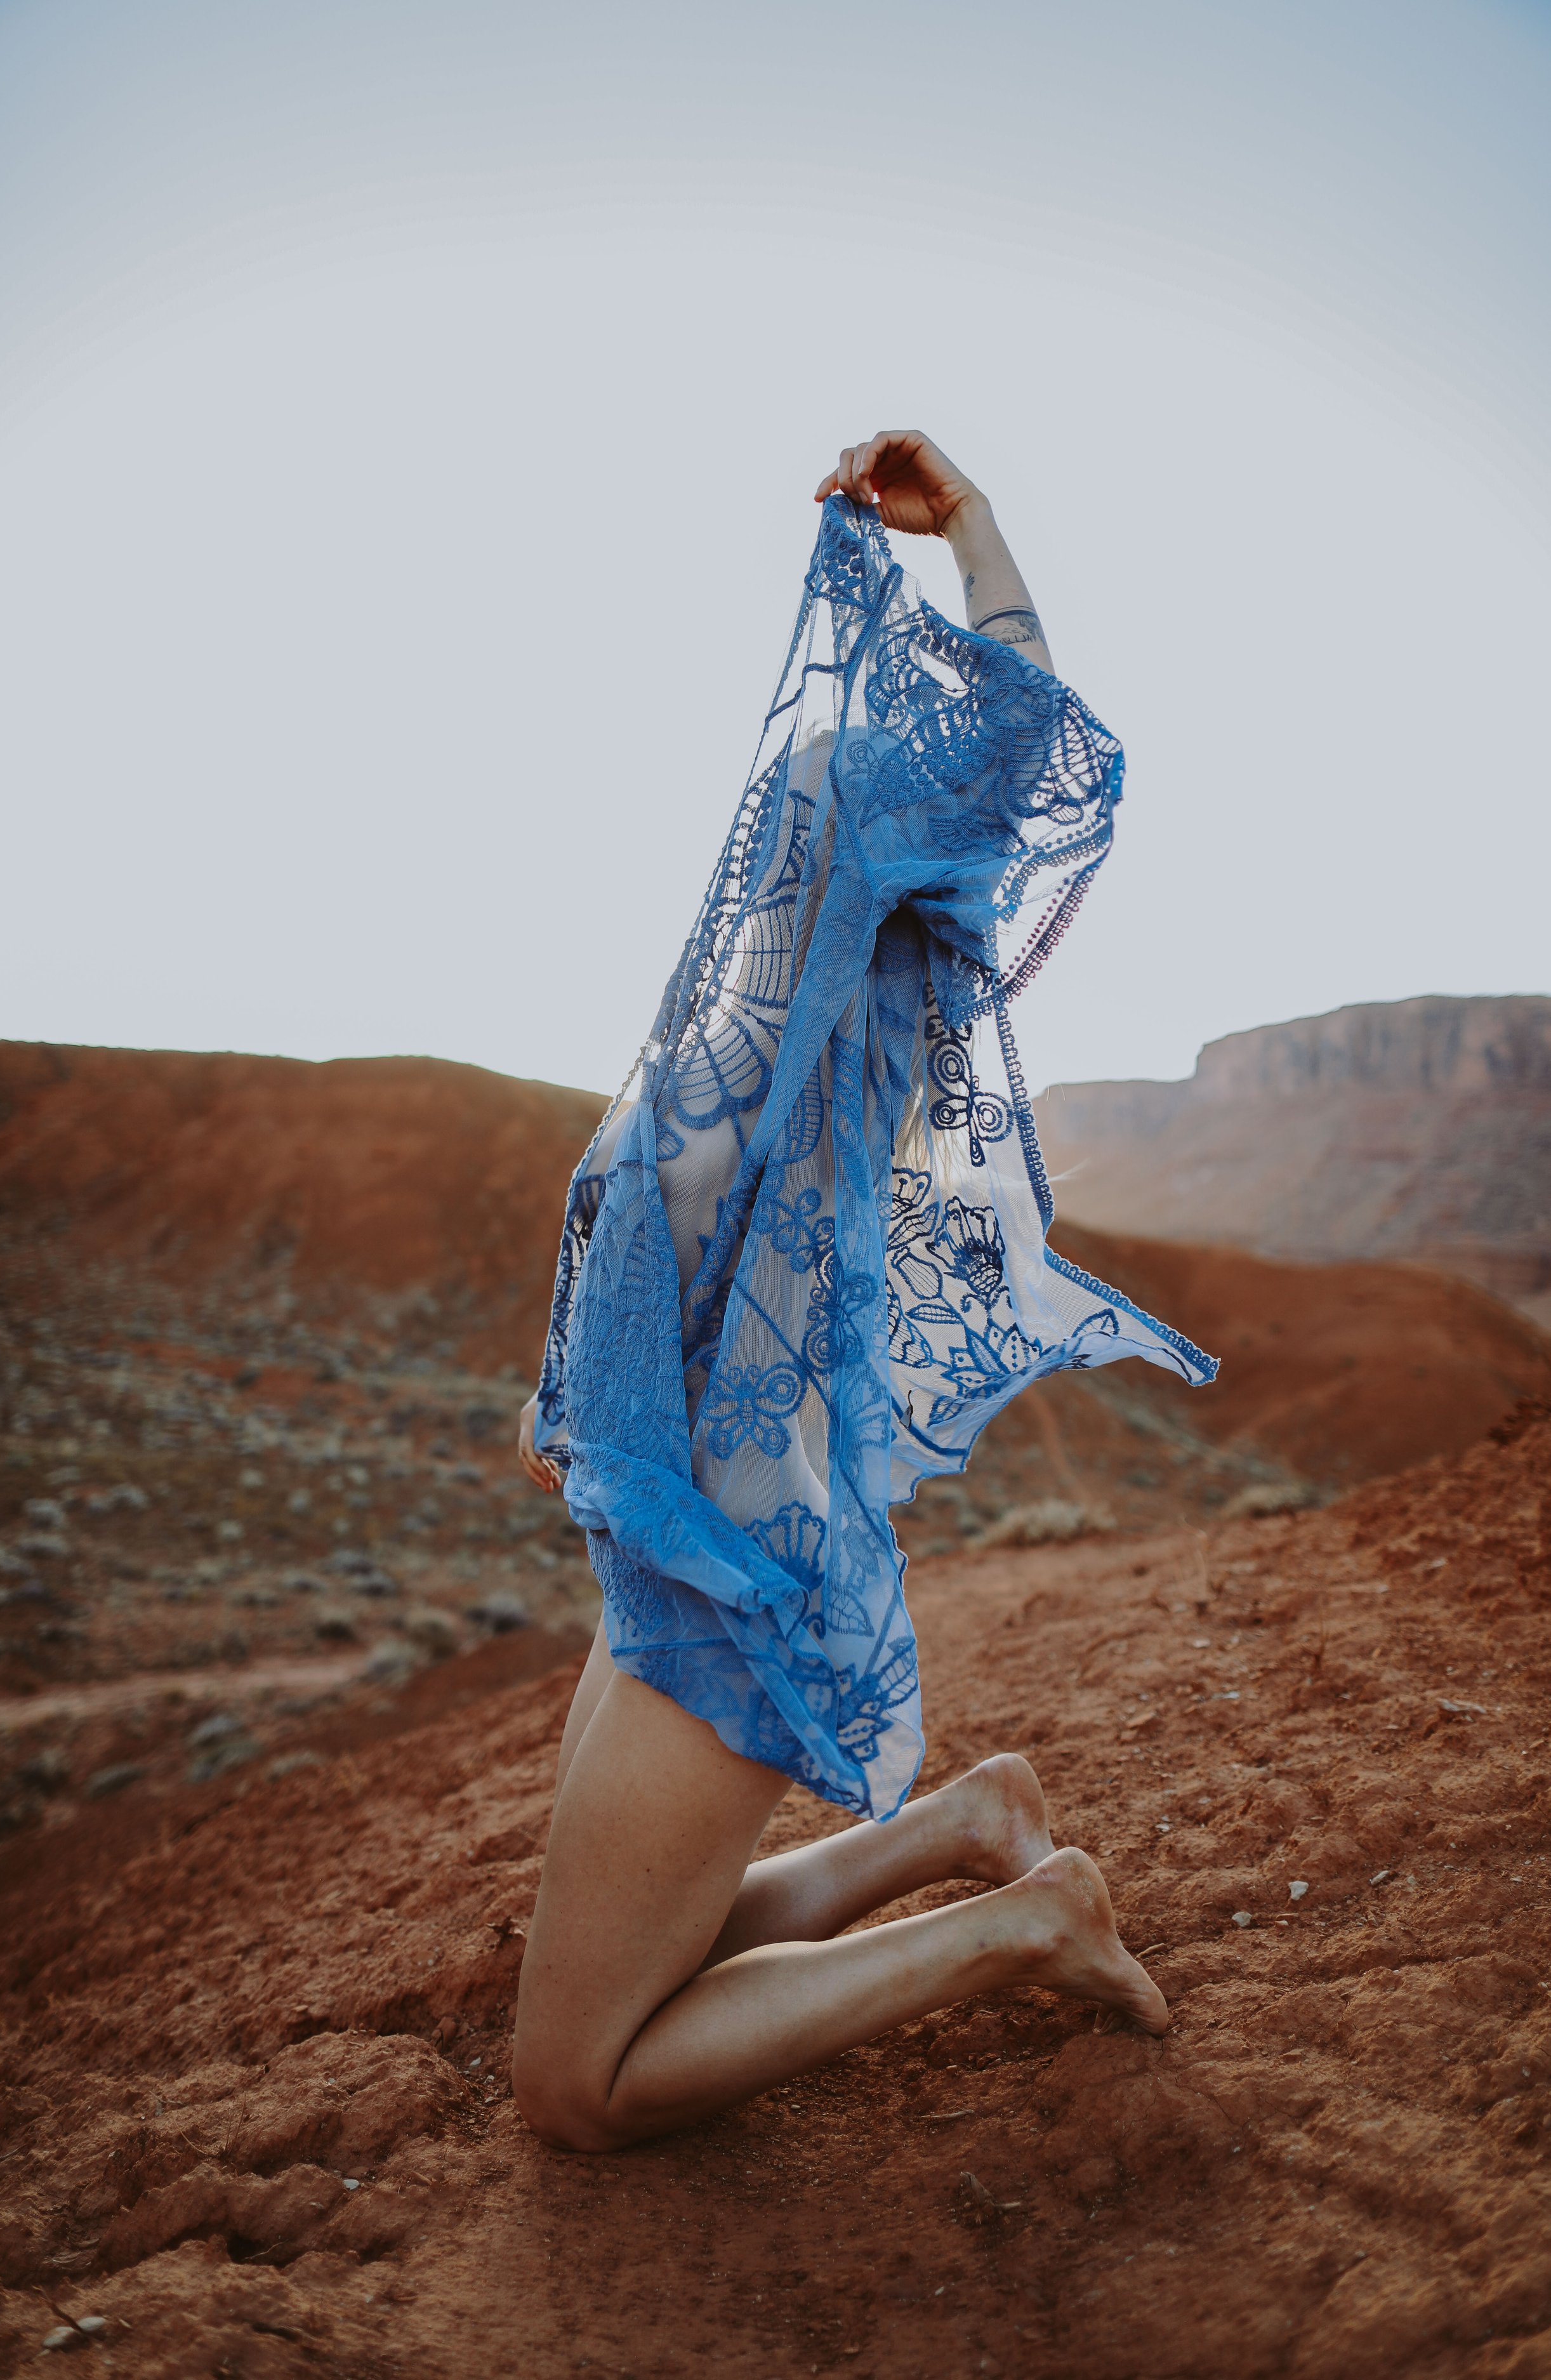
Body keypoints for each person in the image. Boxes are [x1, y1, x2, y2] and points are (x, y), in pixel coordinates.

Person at [509, 432, 1211, 2154]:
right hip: (696, 1533)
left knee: (575, 2087)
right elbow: (1019, 713)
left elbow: (653, 1190)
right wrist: (970, 533)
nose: (796, 792)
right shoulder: (834, 986)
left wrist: (969, 528)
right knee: (653, 1947)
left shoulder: (799, 1019)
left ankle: (1020, 1918)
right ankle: (963, 1822)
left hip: (727, 1556)